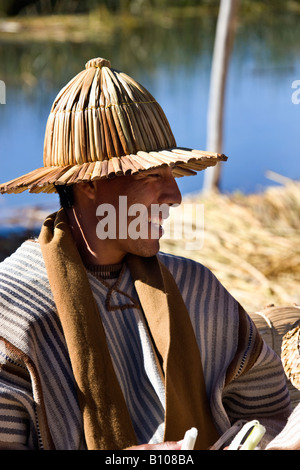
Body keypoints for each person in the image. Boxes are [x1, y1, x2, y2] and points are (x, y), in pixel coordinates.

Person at [0, 57, 291, 450]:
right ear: (89, 184)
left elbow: (273, 410)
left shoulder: (195, 291)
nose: (174, 196)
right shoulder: (14, 314)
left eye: (171, 175)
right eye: (153, 176)